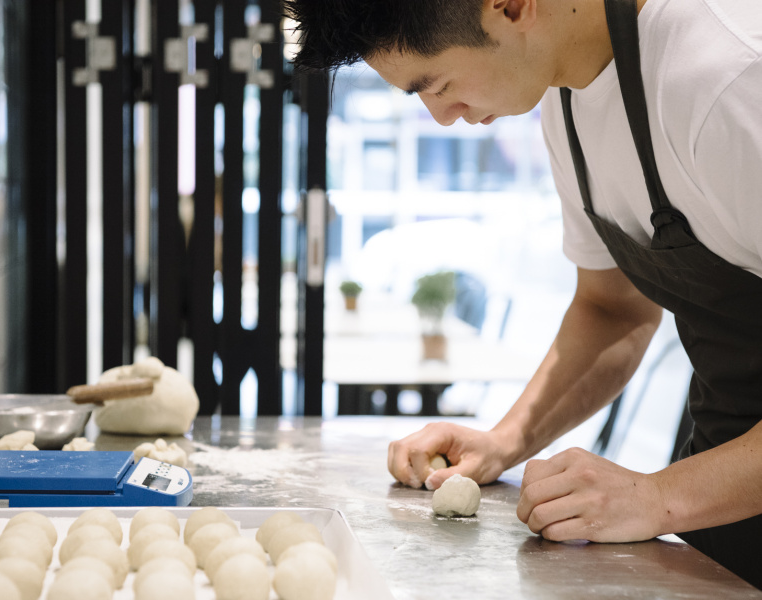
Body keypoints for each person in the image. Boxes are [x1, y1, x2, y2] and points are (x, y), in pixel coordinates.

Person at [284, 0, 762, 587]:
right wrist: (503, 441)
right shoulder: (567, 100)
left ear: (511, 7)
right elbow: (613, 309)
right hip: (723, 505)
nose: (441, 118)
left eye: (437, 85)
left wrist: (656, 496)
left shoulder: (730, 79)